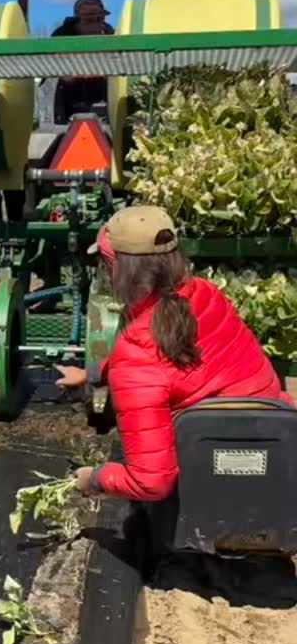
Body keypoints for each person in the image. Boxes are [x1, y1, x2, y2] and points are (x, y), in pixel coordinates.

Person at [56, 206, 293, 502]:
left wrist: (95, 478)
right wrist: (94, 374)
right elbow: (168, 370)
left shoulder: (136, 348)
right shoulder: (204, 293)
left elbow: (150, 483)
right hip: (274, 442)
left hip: (211, 474)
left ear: (117, 271)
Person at [51, 0, 115, 123]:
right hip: (70, 101)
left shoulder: (112, 37)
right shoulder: (62, 37)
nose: (95, 21)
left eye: (99, 17)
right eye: (88, 18)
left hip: (103, 99)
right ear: (78, 20)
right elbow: (55, 65)